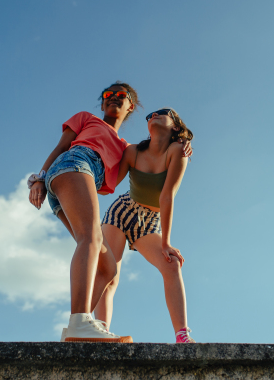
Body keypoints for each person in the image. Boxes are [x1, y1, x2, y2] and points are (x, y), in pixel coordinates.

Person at [28, 82, 191, 342]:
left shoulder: (125, 148)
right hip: (74, 164)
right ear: (102, 104)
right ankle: (79, 321)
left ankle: (80, 330)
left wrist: (182, 143)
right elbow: (61, 148)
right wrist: (38, 178)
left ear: (131, 106)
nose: (113, 98)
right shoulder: (87, 119)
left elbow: (115, 183)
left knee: (107, 269)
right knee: (90, 240)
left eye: (120, 95)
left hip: (79, 182)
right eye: (107, 95)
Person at [93, 107, 196, 343]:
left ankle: (182, 336)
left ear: (176, 127)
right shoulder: (133, 152)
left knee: (171, 265)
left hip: (149, 223)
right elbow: (108, 185)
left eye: (162, 112)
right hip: (121, 212)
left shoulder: (178, 151)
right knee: (109, 274)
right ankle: (100, 333)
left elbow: (167, 196)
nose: (153, 115)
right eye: (150, 115)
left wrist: (166, 242)